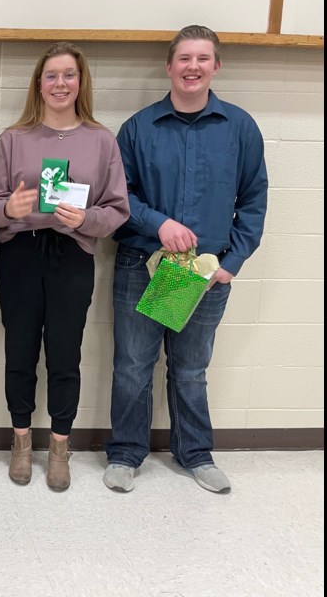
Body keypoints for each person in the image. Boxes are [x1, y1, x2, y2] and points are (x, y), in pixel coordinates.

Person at [104, 25, 268, 495]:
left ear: (216, 66)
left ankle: (195, 453)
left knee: (192, 368)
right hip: (143, 265)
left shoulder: (240, 128)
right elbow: (119, 196)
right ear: (169, 66)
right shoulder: (137, 128)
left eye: (203, 58)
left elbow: (254, 199)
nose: (192, 67)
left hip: (206, 274)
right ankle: (125, 453)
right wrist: (159, 224)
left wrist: (233, 262)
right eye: (184, 59)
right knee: (132, 364)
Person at [0, 42, 130, 491]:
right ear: (39, 84)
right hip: (20, 257)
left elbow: (117, 210)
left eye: (69, 75)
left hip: (72, 257)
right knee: (20, 354)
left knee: (65, 356)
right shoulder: (13, 138)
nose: (60, 83)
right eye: (51, 75)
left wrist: (86, 218)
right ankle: (22, 442)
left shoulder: (102, 139)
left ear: (80, 82)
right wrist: (11, 207)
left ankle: (60, 447)